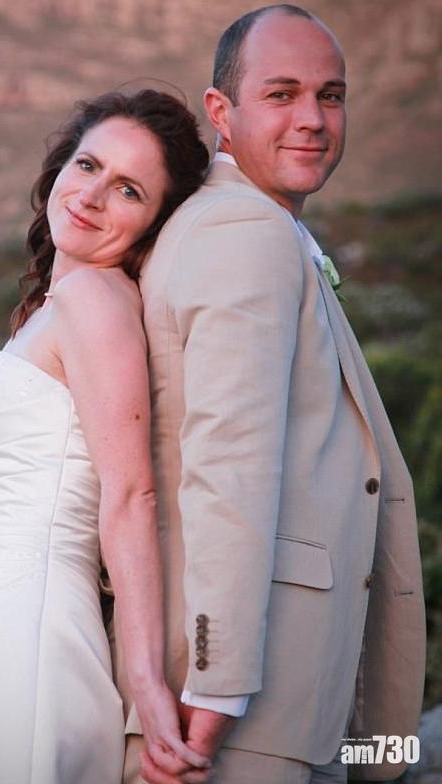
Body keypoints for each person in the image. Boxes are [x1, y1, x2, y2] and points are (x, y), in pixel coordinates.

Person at [118, 6, 426, 784]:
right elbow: (227, 465)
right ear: (220, 112)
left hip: (284, 708)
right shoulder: (244, 232)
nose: (312, 119)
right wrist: (216, 691)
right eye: (281, 94)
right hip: (243, 718)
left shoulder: (238, 225)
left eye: (330, 95)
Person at [0, 89, 211, 784]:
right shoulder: (53, 307)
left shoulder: (95, 298)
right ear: (61, 167)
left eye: (128, 190)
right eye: (88, 165)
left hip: (28, 631)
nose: (92, 196)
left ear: (152, 224)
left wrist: (147, 685)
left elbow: (130, 494)